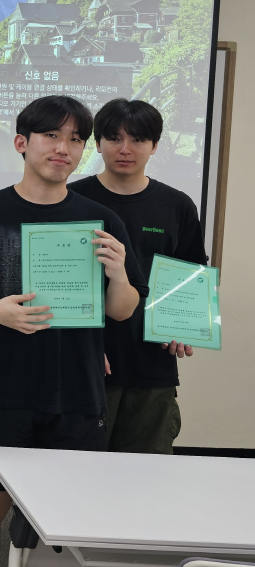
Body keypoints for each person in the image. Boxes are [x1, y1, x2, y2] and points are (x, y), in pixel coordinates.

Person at [0, 96, 148, 567]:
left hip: (75, 391)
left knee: (69, 518)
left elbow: (123, 310)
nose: (63, 148)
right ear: (22, 142)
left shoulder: (102, 221)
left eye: (75, 139)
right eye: (51, 136)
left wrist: (118, 273)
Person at [69, 98, 207, 454]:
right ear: (98, 143)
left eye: (138, 140)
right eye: (114, 138)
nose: (125, 149)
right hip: (85, 362)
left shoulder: (177, 205)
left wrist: (183, 327)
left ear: (155, 145)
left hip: (151, 364)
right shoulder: (72, 200)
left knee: (146, 474)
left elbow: (191, 274)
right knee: (75, 472)